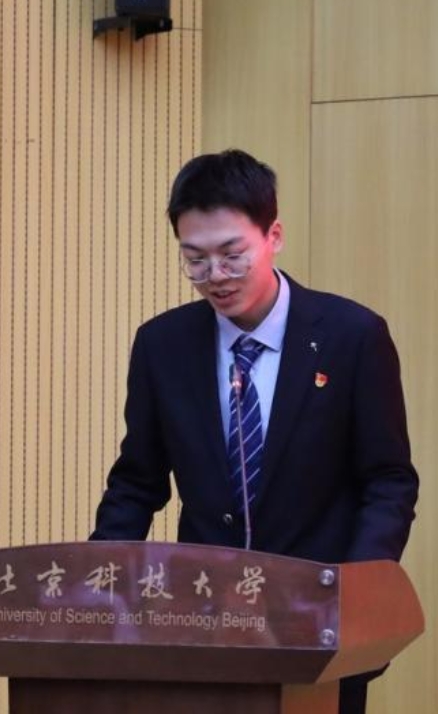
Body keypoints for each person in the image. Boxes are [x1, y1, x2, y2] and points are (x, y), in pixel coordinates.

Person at [91, 149, 418, 713]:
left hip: (319, 627)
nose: (215, 277)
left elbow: (388, 481)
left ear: (274, 236)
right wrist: (93, 585)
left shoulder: (352, 336)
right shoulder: (162, 345)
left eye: (232, 254)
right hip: (201, 622)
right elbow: (137, 482)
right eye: (194, 260)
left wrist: (356, 594)